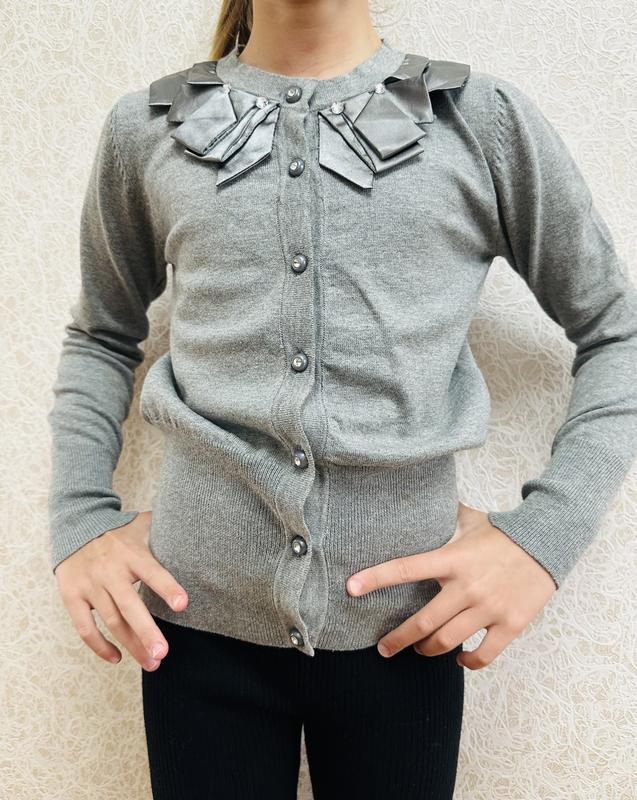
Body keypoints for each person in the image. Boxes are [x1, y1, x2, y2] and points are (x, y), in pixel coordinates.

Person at [47, 0, 637, 797]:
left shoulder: (477, 121)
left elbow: (618, 333)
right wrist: (80, 521)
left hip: (406, 634)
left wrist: (542, 539)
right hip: (190, 629)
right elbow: (100, 337)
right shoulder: (148, 128)